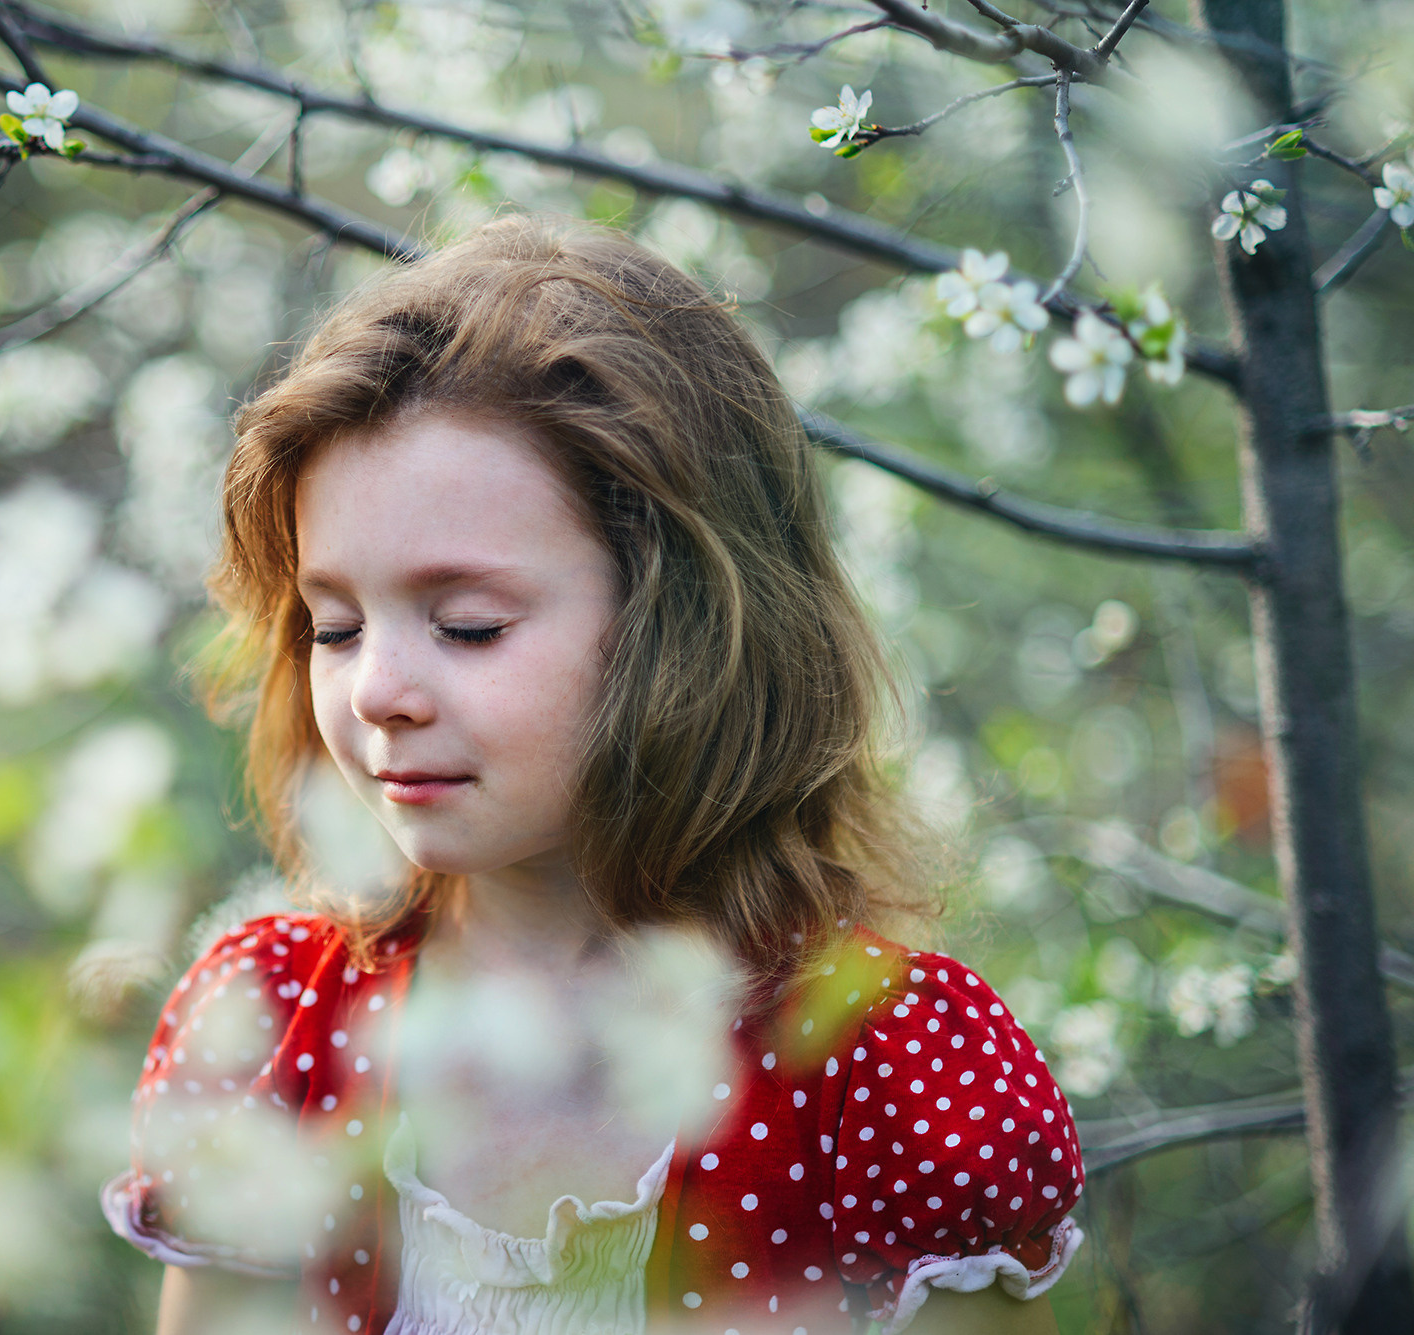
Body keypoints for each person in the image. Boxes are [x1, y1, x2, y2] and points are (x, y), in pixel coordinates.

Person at [102, 217, 1083, 1335]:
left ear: (687, 628)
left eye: (469, 625)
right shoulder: (276, 1020)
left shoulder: (882, 1066)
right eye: (334, 626)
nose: (376, 689)